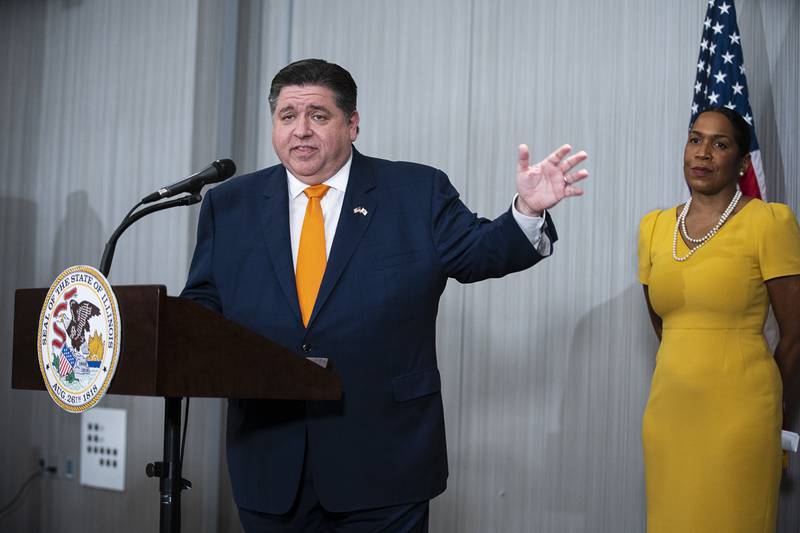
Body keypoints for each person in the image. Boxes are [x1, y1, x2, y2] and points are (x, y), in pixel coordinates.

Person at [182, 58, 588, 532]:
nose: (301, 131)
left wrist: (525, 211)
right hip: (270, 462)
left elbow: (478, 253)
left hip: (384, 463)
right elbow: (202, 306)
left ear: (352, 124)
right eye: (287, 116)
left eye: (318, 115)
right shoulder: (230, 205)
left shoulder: (415, 191)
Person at [638, 107, 800, 532]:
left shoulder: (769, 222)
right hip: (669, 413)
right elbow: (663, 322)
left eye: (720, 143)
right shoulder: (653, 228)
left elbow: (795, 336)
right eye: (695, 139)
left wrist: (779, 412)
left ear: (742, 162)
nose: (703, 153)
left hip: (742, 415)